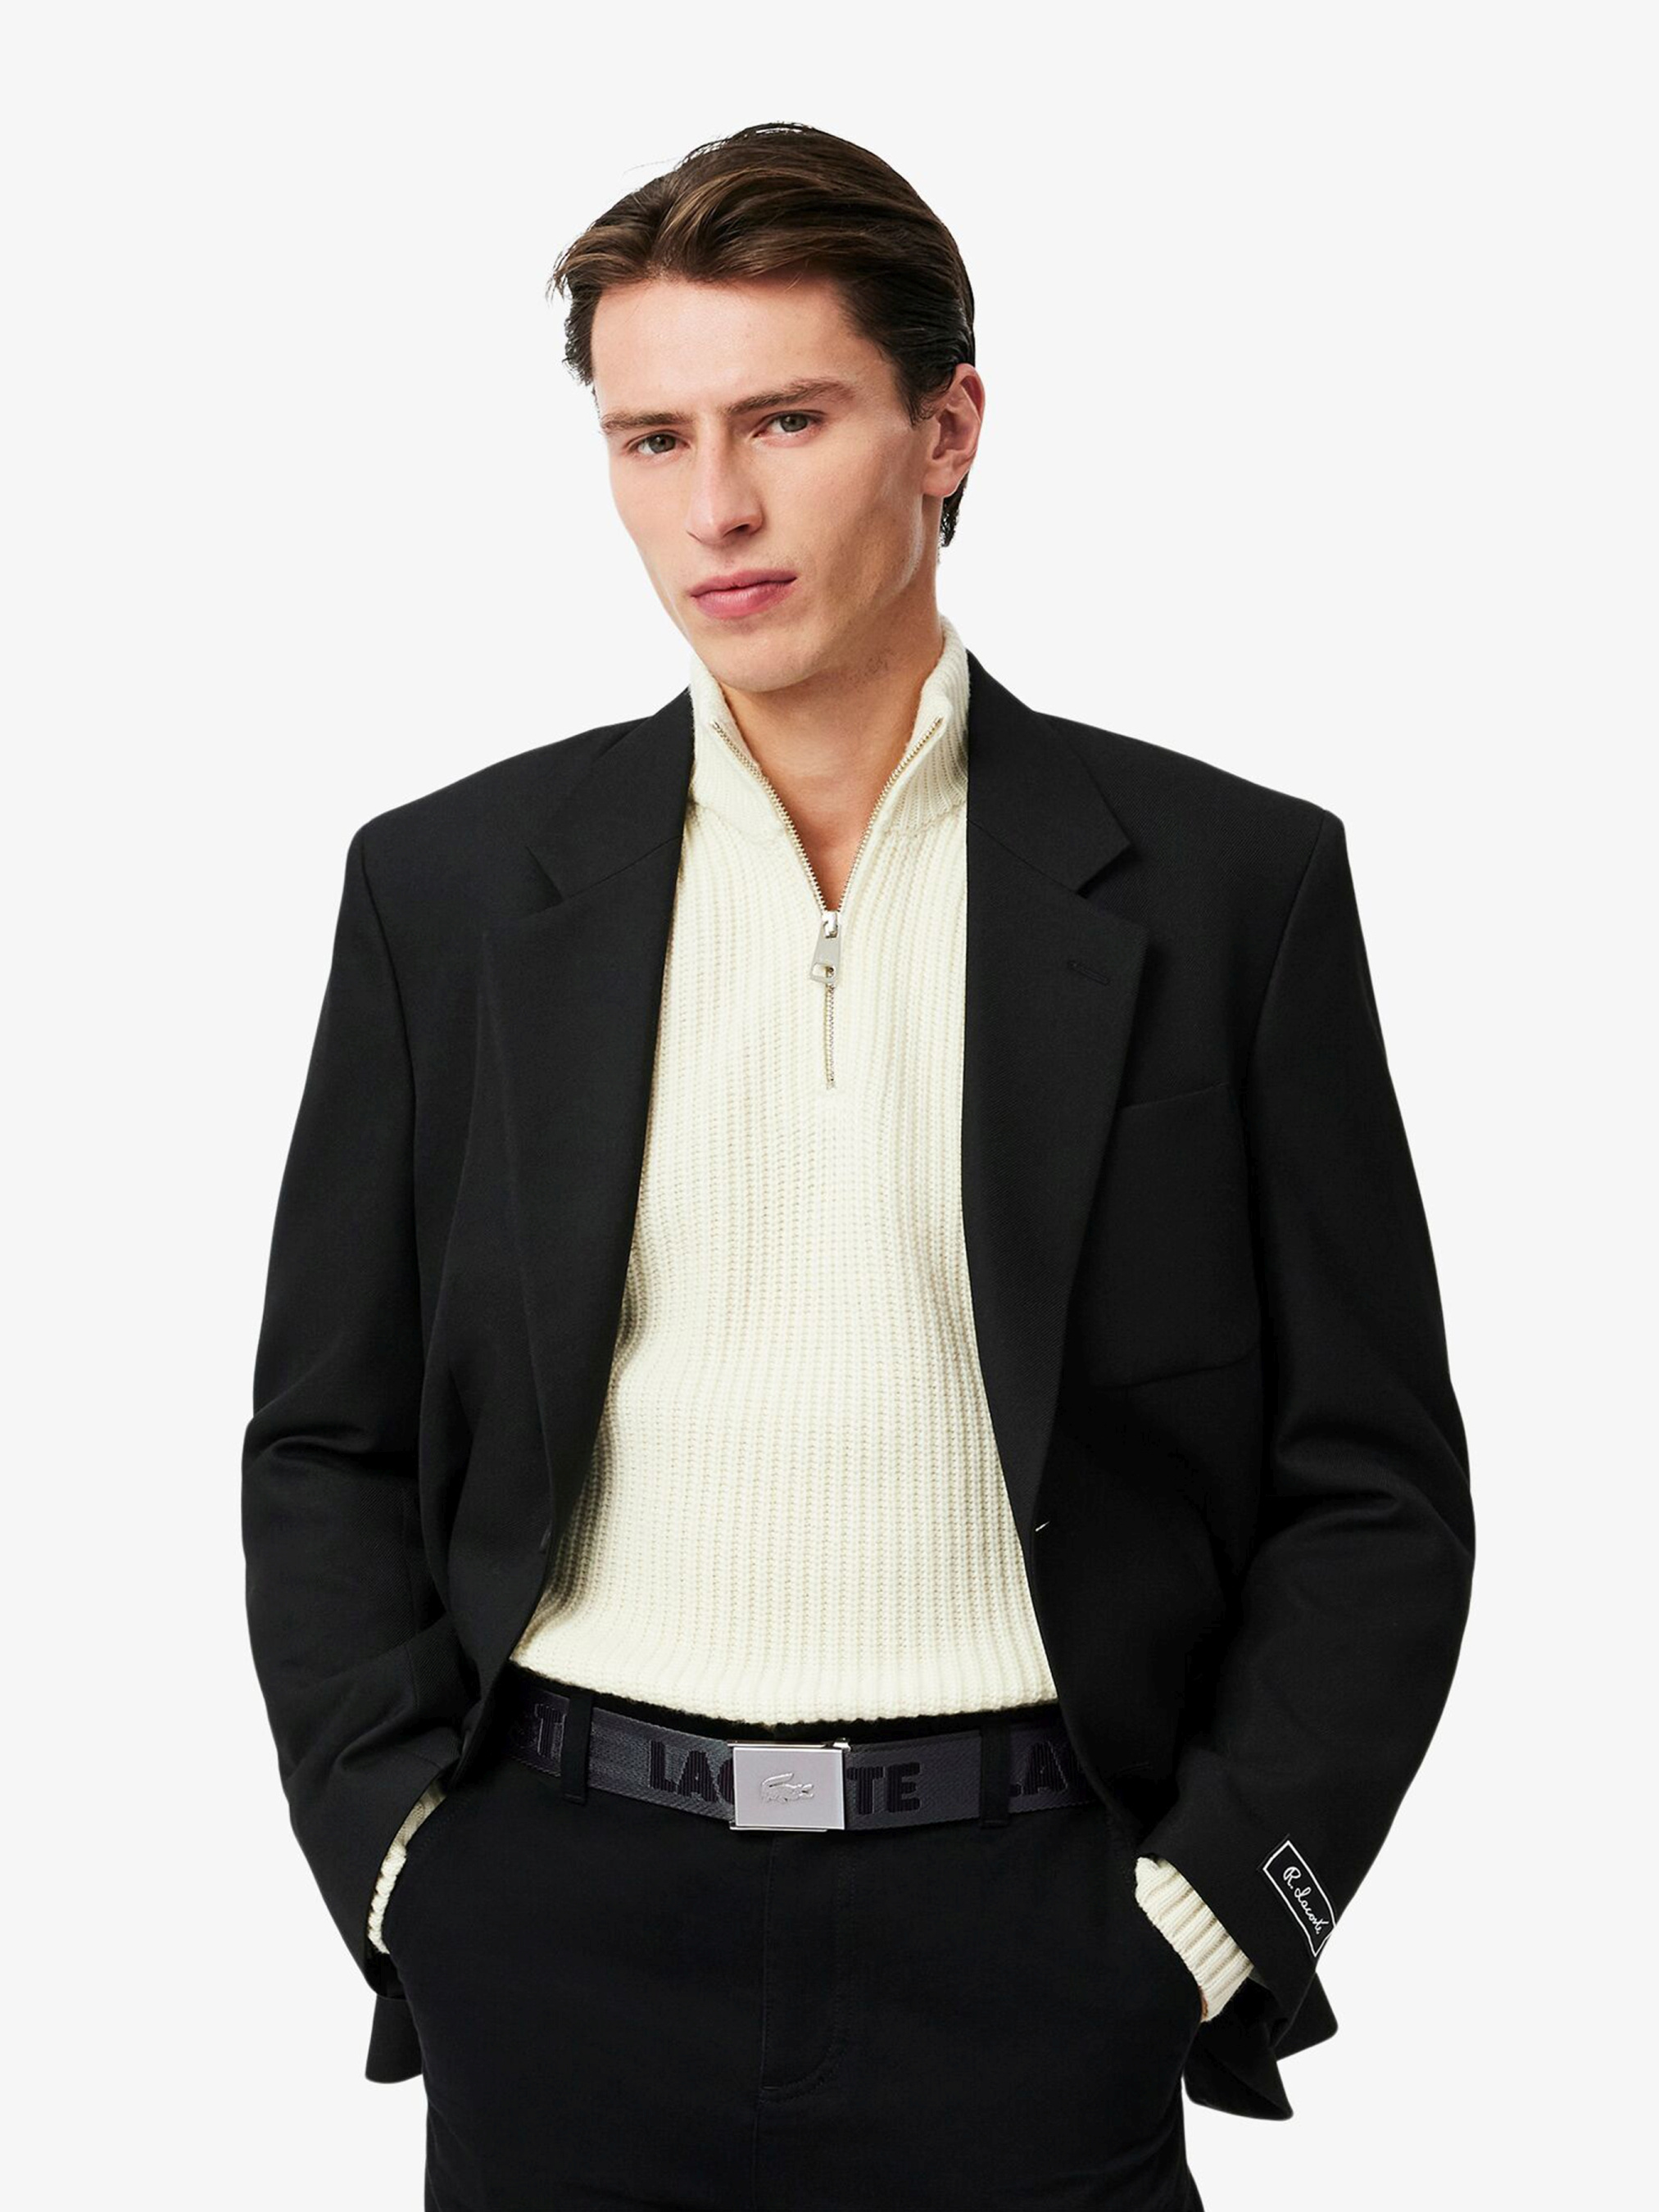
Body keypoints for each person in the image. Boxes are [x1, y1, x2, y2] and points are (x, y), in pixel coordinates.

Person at [243, 120, 1475, 2210]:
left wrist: (1196, 1928)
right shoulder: (447, 891)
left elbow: (1369, 1487)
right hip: (560, 1939)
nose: (711, 507)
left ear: (946, 427)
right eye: (650, 439)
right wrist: (404, 1867)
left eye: (785, 420)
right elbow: (327, 1442)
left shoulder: (1226, 889)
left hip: (1040, 1943)